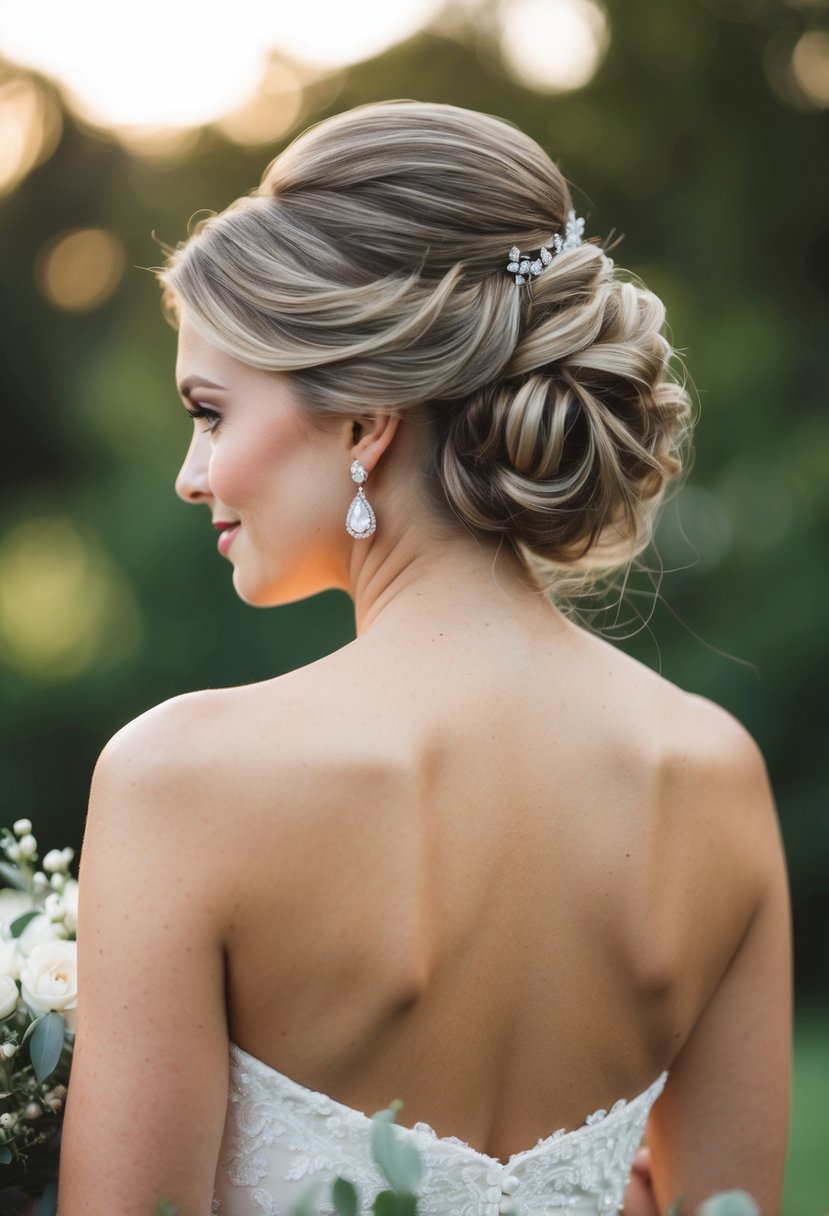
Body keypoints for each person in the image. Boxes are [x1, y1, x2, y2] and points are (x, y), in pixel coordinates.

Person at [57, 101, 791, 1216]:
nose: (189, 474)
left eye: (210, 413)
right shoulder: (713, 775)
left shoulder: (178, 781)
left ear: (363, 421)